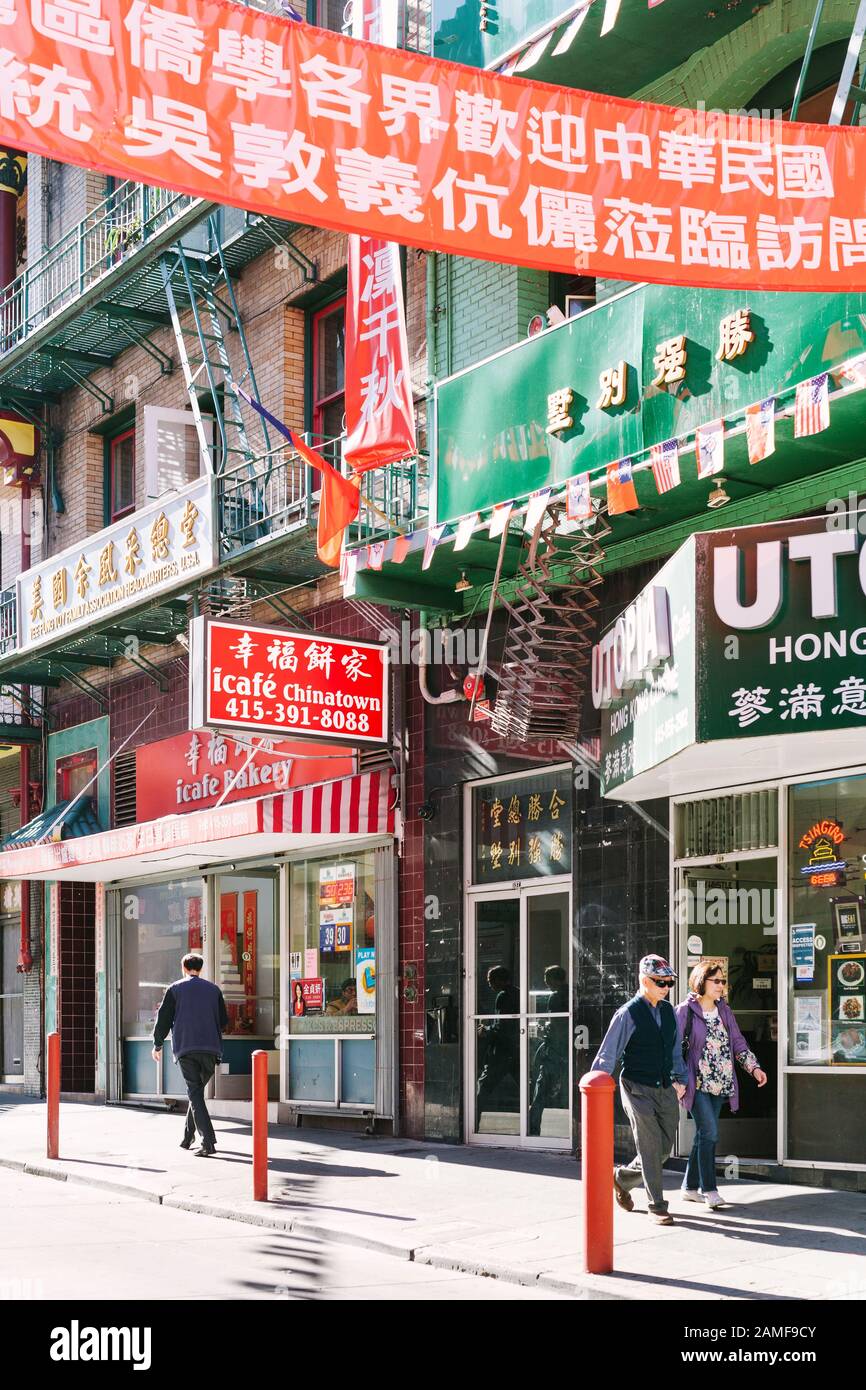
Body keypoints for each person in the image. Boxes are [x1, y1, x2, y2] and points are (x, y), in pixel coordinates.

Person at [592, 955, 687, 1226]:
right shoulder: (627, 1013)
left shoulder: (669, 1011)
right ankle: (657, 1205)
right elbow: (607, 1054)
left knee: (664, 1148)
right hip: (636, 1087)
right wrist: (595, 1088)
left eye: (669, 981)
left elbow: (674, 1049)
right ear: (644, 981)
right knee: (649, 1147)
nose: (667, 986)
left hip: (666, 1086)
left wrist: (680, 1080)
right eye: (661, 981)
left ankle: (620, 1179)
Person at [676, 962, 767, 1209]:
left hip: (721, 1083)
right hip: (696, 1083)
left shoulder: (724, 1010)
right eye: (715, 981)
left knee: (703, 1134)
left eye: (723, 981)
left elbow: (738, 1041)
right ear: (701, 982)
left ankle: (688, 1186)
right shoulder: (685, 1011)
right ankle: (710, 1190)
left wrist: (753, 1067)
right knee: (710, 1133)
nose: (720, 985)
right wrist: (677, 1079)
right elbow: (673, 1048)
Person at [152, 951, 228, 1158]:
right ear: (200, 968)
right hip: (212, 1049)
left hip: (187, 1048)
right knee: (196, 1093)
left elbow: (163, 1020)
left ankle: (208, 1142)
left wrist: (157, 1045)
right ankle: (188, 1138)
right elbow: (223, 1021)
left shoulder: (175, 989)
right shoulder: (213, 990)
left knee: (195, 1093)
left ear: (184, 968)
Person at [476, 965, 520, 1119]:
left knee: (483, 1087)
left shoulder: (503, 996)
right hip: (515, 1049)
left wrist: (486, 1030)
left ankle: (473, 1123)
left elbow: (502, 1026)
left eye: (491, 980)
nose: (489, 984)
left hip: (501, 1052)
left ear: (500, 980)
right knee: (526, 1087)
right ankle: (532, 1127)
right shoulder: (518, 993)